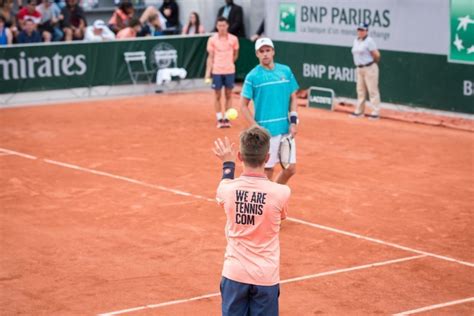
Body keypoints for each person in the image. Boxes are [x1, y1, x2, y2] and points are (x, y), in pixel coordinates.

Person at [213, 126, 291, 316]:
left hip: (234, 274)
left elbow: (225, 183)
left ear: (240, 156)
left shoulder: (226, 189)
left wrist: (227, 165)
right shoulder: (281, 192)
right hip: (266, 277)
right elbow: (280, 218)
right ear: (267, 157)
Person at [240, 38, 299, 185]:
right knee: (268, 170)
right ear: (257, 54)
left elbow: (293, 97)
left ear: (273, 52)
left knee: (290, 168)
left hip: (285, 129)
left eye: (268, 50)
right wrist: (256, 126)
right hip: (267, 132)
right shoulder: (252, 76)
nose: (265, 54)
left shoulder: (285, 71)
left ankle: (274, 192)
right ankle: (266, 203)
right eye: (262, 51)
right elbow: (243, 105)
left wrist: (293, 121)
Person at [205, 17, 239, 129]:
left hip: (229, 70)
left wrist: (228, 63)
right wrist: (207, 73)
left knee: (229, 95)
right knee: (217, 95)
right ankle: (220, 118)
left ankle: (227, 118)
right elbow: (210, 57)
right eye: (219, 25)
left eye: (224, 25)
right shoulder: (212, 40)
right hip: (217, 71)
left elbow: (235, 54)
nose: (222, 28)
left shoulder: (234, 39)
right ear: (216, 26)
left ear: (227, 26)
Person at [351, 22, 381, 119]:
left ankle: (375, 112)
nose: (360, 32)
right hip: (359, 69)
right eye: (359, 30)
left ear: (366, 31)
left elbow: (376, 55)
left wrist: (371, 64)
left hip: (369, 68)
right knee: (360, 91)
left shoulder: (369, 41)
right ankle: (359, 112)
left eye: (362, 30)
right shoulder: (356, 40)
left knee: (372, 90)